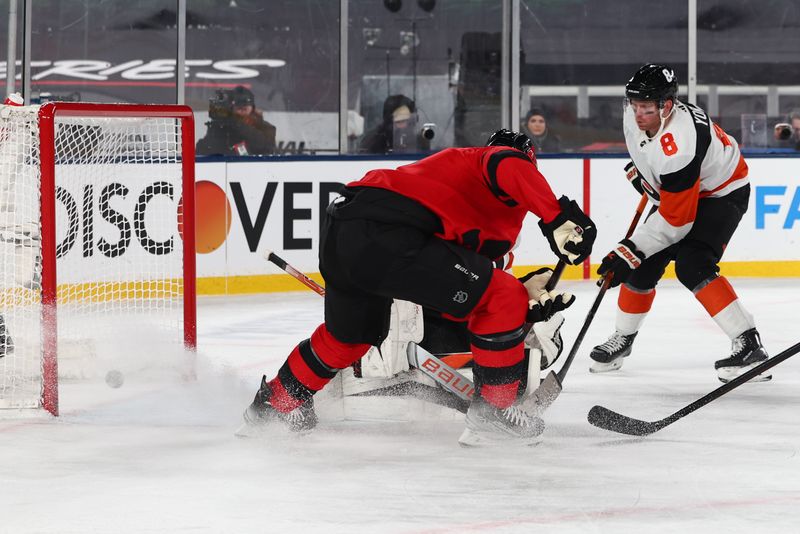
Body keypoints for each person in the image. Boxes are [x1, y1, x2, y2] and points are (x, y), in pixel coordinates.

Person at [241, 129, 597, 446]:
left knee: (349, 338)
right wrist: (556, 216)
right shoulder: (491, 163)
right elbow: (508, 165)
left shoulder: (464, 197)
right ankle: (494, 415)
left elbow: (456, 289)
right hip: (389, 231)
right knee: (502, 296)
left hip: (345, 231)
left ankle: (275, 404)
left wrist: (521, 297)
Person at [589, 63, 769, 384]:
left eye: (646, 107)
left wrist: (629, 249)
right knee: (642, 267)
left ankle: (748, 343)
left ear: (667, 106)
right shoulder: (638, 112)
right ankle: (623, 337)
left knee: (692, 264)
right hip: (682, 189)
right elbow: (649, 156)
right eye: (634, 105)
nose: (638, 113)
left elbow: (677, 220)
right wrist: (647, 179)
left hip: (721, 194)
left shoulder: (681, 143)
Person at [195, 86, 276, 156]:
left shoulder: (265, 127)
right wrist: (220, 126)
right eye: (238, 108)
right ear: (231, 108)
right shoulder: (223, 126)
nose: (241, 111)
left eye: (245, 108)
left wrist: (235, 123)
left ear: (252, 108)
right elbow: (203, 150)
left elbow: (264, 146)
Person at [359, 94, 430, 154]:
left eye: (409, 121)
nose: (406, 125)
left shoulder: (420, 141)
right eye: (400, 121)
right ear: (389, 123)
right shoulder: (373, 142)